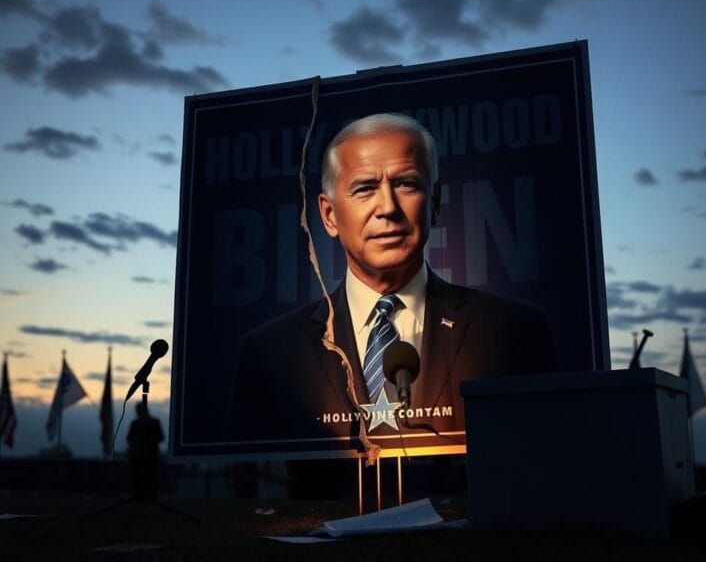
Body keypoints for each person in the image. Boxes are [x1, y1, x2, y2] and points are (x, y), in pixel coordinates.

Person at [228, 113, 558, 455]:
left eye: (406, 184)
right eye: (364, 189)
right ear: (329, 216)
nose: (387, 207)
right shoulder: (266, 353)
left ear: (434, 203)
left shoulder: (517, 329)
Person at [126, 401, 165, 501]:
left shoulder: (154, 422)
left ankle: (152, 497)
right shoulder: (135, 424)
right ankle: (139, 498)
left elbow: (161, 437)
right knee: (138, 478)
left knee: (151, 477)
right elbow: (129, 438)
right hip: (138, 457)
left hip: (151, 456)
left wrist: (149, 440)